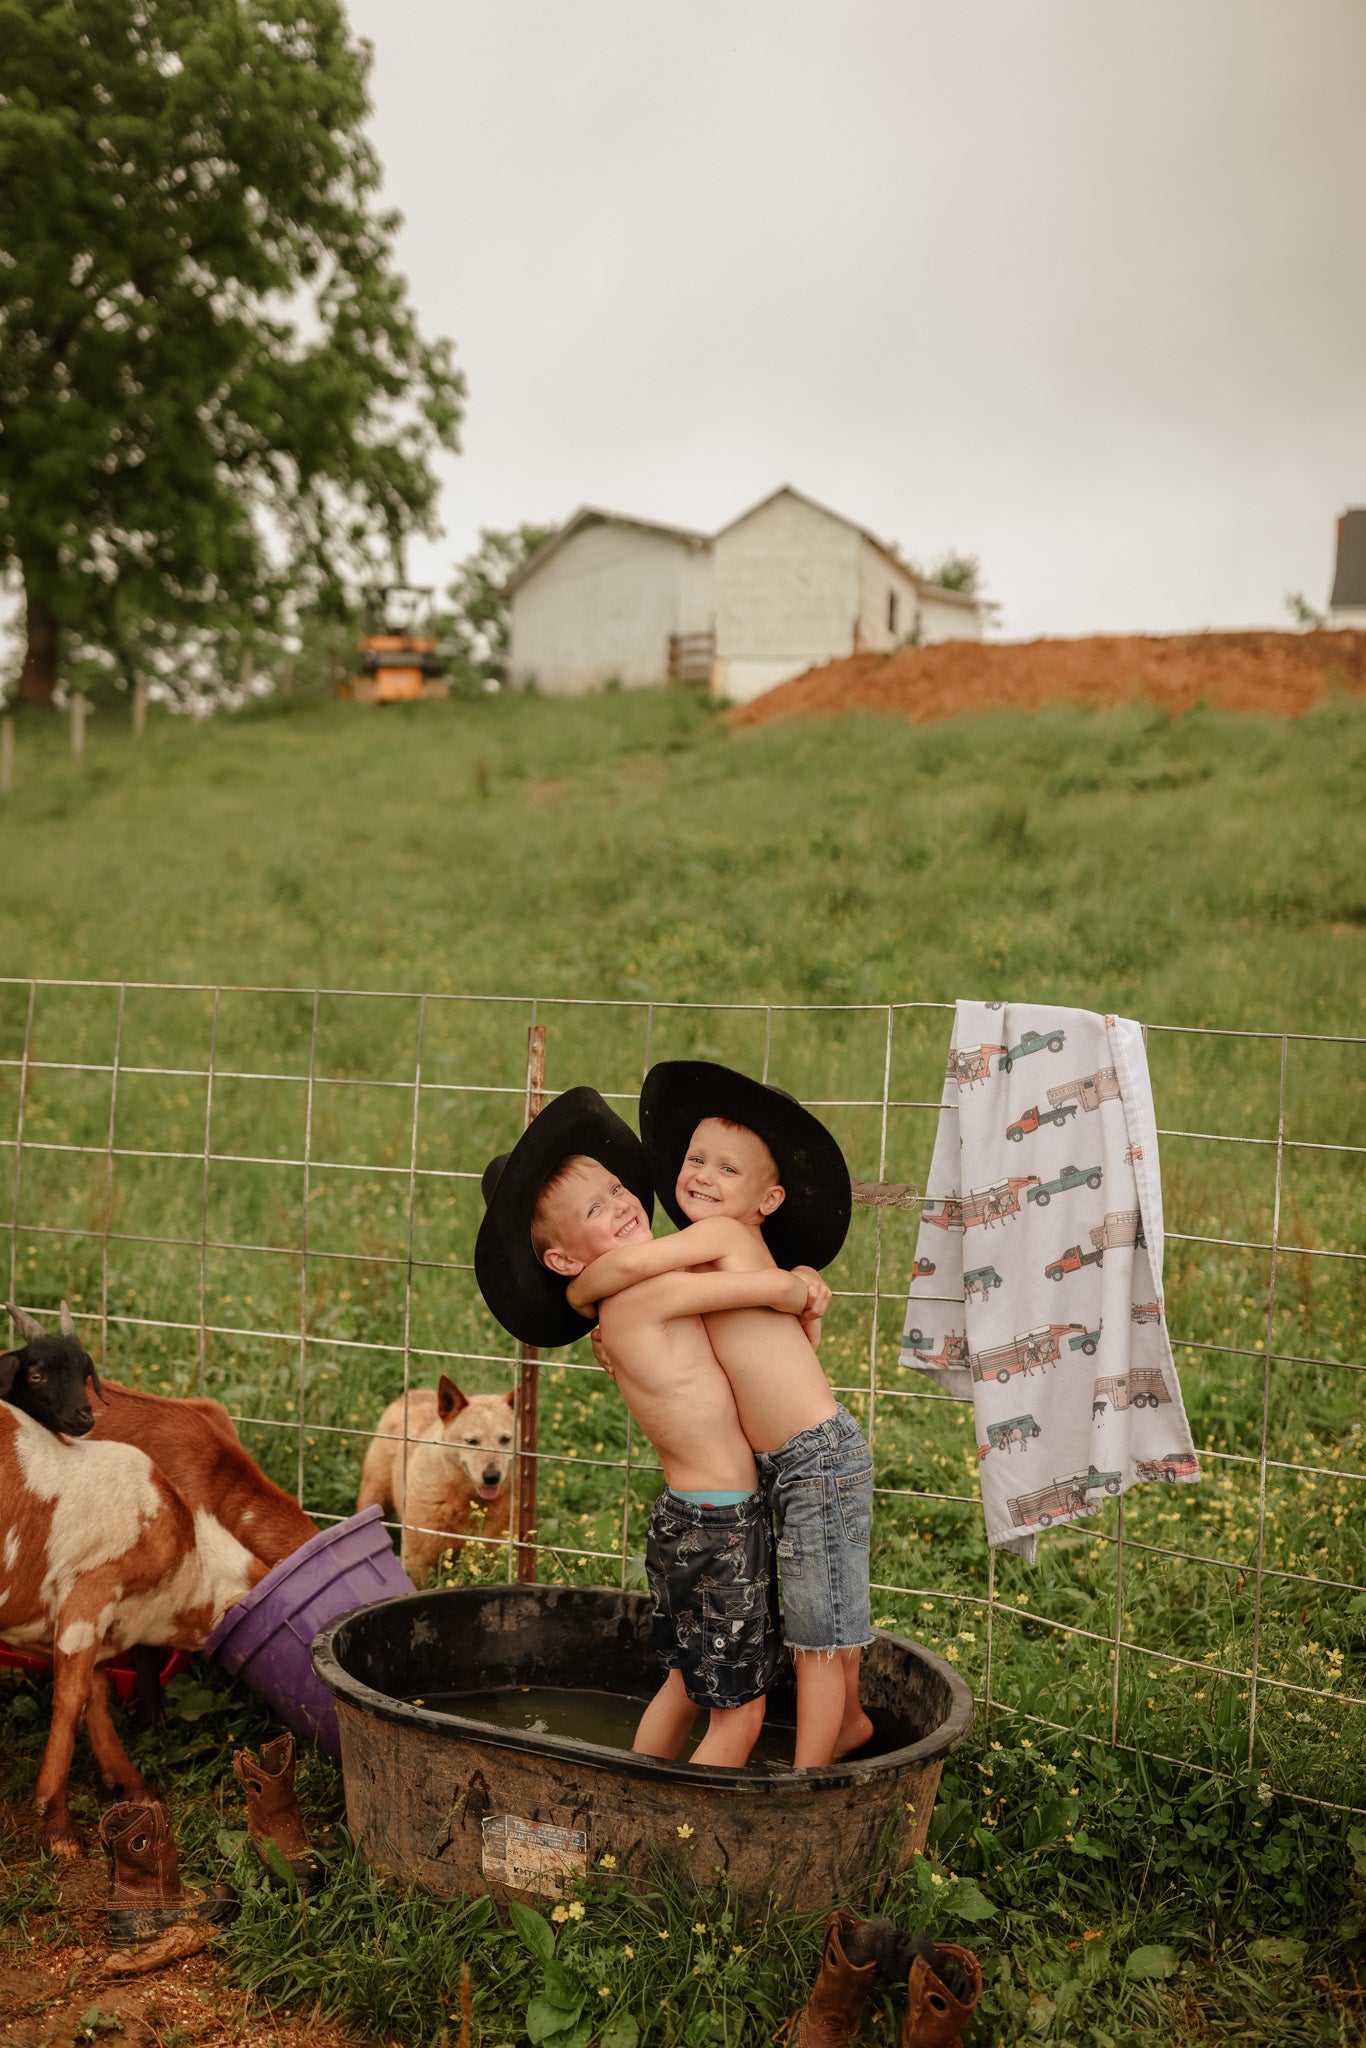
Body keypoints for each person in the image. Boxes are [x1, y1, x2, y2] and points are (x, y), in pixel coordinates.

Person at [474, 1086, 828, 1769]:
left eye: (614, 1188)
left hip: (685, 1517)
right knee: (741, 1713)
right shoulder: (649, 1295)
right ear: (563, 1260)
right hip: (723, 1524)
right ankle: (683, 1849)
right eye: (595, 1209)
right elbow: (768, 1291)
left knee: (684, 1684)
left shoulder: (617, 1308)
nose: (621, 1203)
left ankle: (632, 1795)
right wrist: (799, 1284)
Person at [569, 1061, 873, 1770]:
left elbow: (618, 1274)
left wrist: (580, 1290)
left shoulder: (727, 1241)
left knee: (818, 1635)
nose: (702, 1174)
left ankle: (809, 1782)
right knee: (820, 1607)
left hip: (814, 1455)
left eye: (727, 1169)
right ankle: (850, 1727)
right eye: (695, 1158)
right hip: (786, 1459)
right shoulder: (707, 1265)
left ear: (765, 1200)